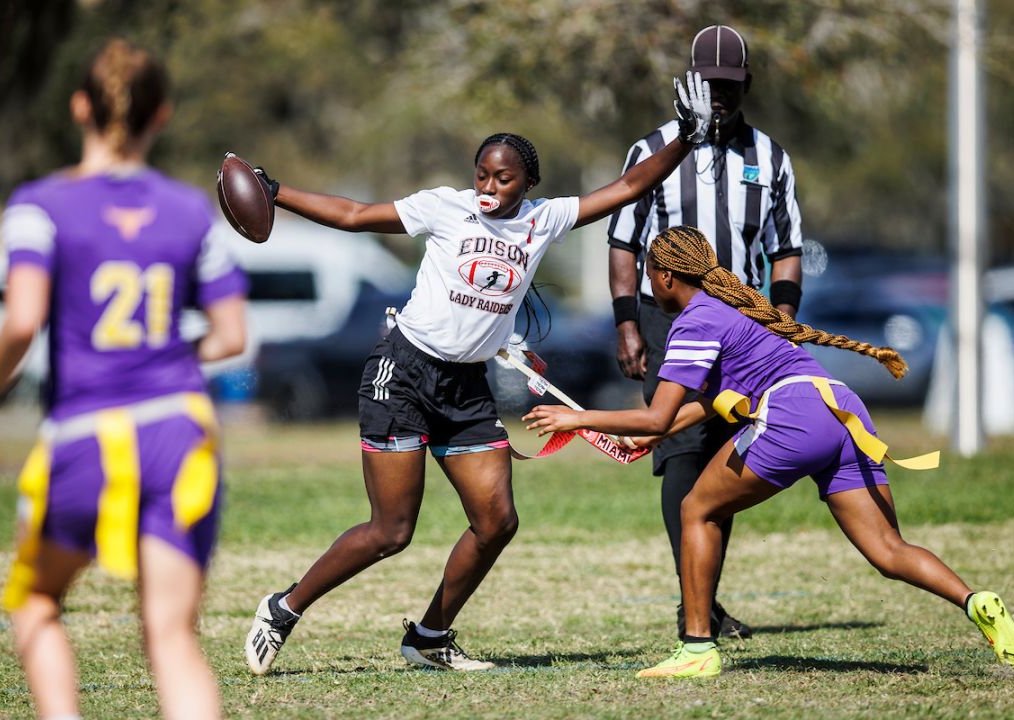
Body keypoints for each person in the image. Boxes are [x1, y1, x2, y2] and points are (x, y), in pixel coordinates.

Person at [240, 73, 715, 675]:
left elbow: (626, 187)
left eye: (504, 177)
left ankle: (431, 636)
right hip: (403, 372)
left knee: (497, 521)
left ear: (529, 184)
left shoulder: (543, 220)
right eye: (483, 174)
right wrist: (276, 191)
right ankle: (283, 608)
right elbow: (356, 214)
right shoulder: (445, 207)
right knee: (392, 530)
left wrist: (686, 140)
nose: (489, 187)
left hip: (466, 387)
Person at [524, 226, 1014, 679]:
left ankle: (697, 647)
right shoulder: (735, 307)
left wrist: (579, 417)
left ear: (667, 276)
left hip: (793, 415)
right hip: (842, 411)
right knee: (889, 550)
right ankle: (975, 601)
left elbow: (657, 413)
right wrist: (653, 436)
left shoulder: (694, 320)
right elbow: (703, 403)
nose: (648, 286)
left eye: (649, 275)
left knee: (696, 509)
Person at [0, 39, 248, 719]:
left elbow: (22, 322)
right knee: (171, 635)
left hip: (86, 428)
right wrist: (163, 362)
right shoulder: (193, 211)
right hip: (180, 430)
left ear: (79, 106)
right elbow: (231, 336)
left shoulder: (38, 205)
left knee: (38, 603)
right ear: (160, 115)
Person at [605, 24, 806, 640]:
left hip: (742, 323)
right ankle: (698, 610)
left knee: (726, 455)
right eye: (709, 84)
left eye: (730, 86)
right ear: (686, 83)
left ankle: (704, 603)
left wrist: (784, 318)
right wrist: (627, 322)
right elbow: (621, 243)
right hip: (669, 319)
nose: (719, 96)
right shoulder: (652, 151)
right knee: (679, 451)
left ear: (747, 86)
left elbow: (787, 249)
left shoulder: (770, 157)